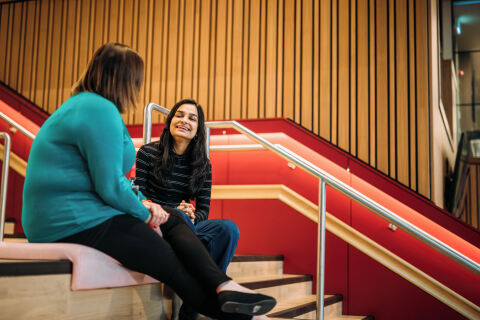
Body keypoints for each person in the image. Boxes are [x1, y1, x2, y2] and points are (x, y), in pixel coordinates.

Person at [21, 42, 276, 320]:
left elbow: (116, 183)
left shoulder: (85, 106)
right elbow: (110, 186)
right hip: (73, 221)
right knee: (172, 261)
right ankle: (240, 311)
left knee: (178, 223)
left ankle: (225, 287)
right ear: (128, 80)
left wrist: (148, 207)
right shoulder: (98, 109)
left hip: (77, 216)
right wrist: (146, 210)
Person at [135, 99, 241, 319]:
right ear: (170, 120)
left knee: (228, 229)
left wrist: (192, 214)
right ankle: (199, 299)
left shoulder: (203, 164)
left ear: (198, 129)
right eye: (179, 115)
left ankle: (190, 308)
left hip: (184, 225)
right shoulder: (147, 153)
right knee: (181, 215)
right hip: (153, 222)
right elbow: (139, 195)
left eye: (192, 118)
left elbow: (204, 210)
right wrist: (175, 211)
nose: (184, 121)